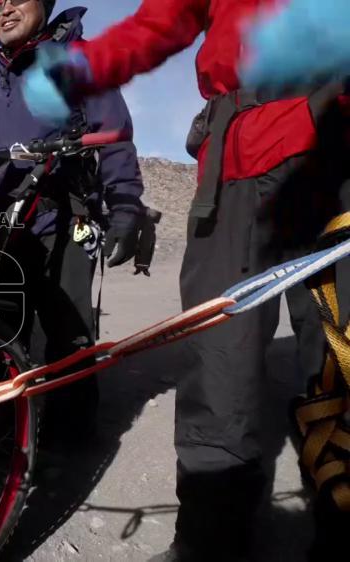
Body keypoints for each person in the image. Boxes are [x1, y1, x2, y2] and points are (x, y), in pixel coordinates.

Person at [19, 0, 350, 559]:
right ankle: (209, 537)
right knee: (221, 354)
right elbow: (160, 23)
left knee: (338, 348)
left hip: (333, 143)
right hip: (232, 163)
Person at [0, 0, 145, 440]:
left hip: (63, 220)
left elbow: (116, 138)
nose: (4, 9)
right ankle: (3, 438)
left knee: (69, 335)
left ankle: (70, 440)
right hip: (0, 228)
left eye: (17, 0)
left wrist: (125, 208)